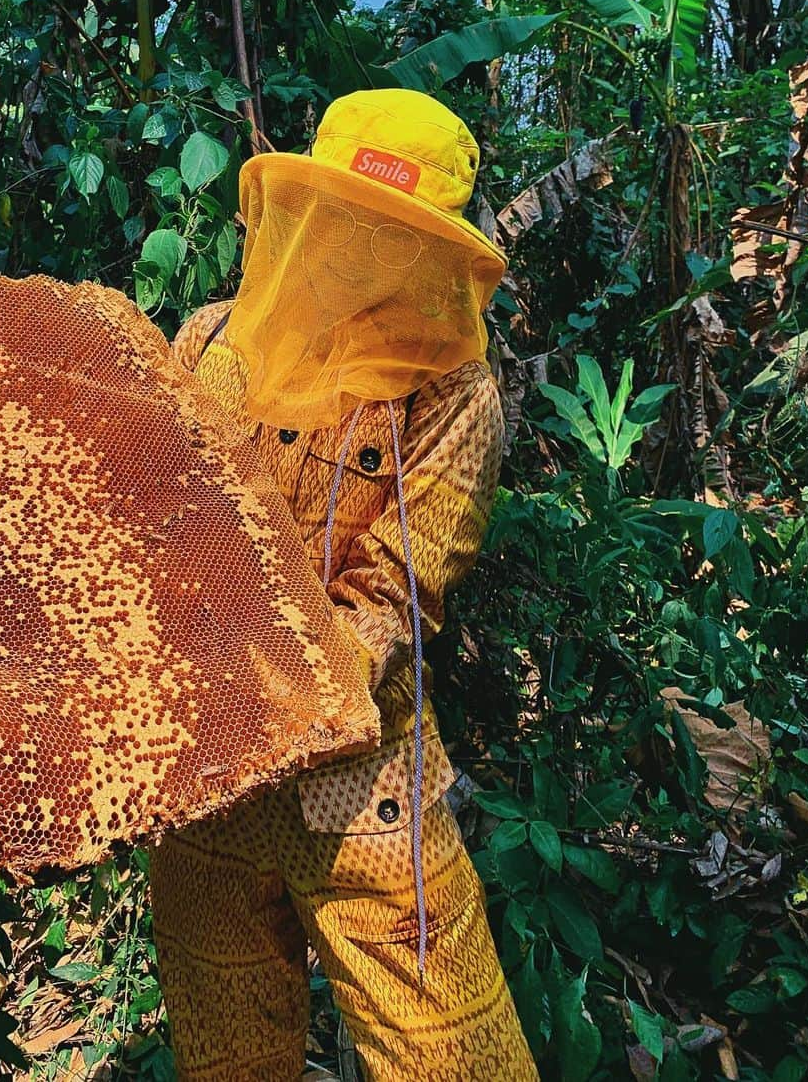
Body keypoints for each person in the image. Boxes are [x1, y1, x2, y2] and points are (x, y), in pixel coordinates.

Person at [148, 88, 538, 1081]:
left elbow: (391, 604)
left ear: (435, 249)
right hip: (201, 783)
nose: (364, 248)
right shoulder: (206, 343)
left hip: (362, 786)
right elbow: (149, 524)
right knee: (226, 1050)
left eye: (395, 234)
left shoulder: (452, 394)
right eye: (349, 220)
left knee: (453, 1051)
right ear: (308, 210)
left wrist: (267, 673)